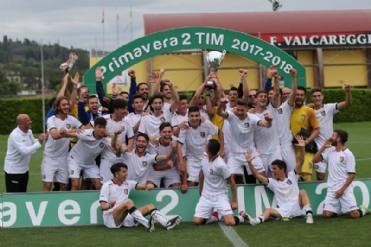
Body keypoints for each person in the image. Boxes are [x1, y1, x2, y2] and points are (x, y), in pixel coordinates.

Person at [240, 135, 314, 225]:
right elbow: (257, 176)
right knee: (267, 210)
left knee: (302, 192)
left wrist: (302, 148)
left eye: (275, 168)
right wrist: (249, 163)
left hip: (297, 206)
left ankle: (309, 215)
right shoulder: (272, 182)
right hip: (283, 210)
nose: (272, 171)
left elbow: (301, 161)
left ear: (282, 169)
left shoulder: (292, 175)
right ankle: (256, 221)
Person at [99, 162, 182, 231]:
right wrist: (109, 205)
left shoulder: (128, 183)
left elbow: (144, 186)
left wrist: (149, 186)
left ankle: (167, 223)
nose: (126, 174)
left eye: (126, 171)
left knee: (150, 206)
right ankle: (147, 224)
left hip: (125, 217)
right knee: (128, 203)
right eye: (124, 172)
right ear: (116, 174)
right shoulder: (106, 186)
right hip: (111, 219)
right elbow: (102, 207)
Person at [312, 129, 371, 219]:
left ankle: (363, 210)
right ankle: (340, 209)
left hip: (344, 189)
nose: (330, 138)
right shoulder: (330, 152)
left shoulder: (348, 154)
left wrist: (342, 190)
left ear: (338, 139)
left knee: (354, 215)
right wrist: (323, 147)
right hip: (332, 189)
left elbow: (352, 175)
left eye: (333, 136)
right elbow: (314, 160)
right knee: (327, 215)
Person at [217, 98, 272, 184]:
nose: (239, 112)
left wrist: (269, 121)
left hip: (250, 153)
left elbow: (266, 125)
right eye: (238, 110)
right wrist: (221, 104)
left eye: (242, 110)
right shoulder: (232, 116)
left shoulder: (252, 118)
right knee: (229, 179)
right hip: (235, 154)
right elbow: (219, 113)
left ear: (247, 109)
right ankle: (232, 197)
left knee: (263, 176)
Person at [193, 139, 245, 226]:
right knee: (196, 222)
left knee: (230, 222)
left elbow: (231, 181)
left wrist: (234, 201)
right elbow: (202, 173)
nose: (205, 145)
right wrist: (201, 189)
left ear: (208, 150)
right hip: (206, 196)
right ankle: (214, 217)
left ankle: (242, 217)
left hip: (220, 196)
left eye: (207, 145)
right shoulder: (204, 157)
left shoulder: (221, 165)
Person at [311, 85, 352, 180]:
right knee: (320, 176)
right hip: (318, 148)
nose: (317, 98)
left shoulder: (329, 107)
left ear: (322, 96)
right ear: (311, 98)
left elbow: (347, 103)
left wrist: (348, 91)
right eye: (315, 96)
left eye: (319, 96)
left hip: (331, 147)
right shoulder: (309, 110)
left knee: (336, 174)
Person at [42, 96, 82, 191]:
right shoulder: (51, 119)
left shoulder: (72, 119)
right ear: (58, 107)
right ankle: (45, 203)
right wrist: (70, 132)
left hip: (63, 158)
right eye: (64, 105)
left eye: (68, 104)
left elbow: (83, 129)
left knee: (64, 185)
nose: (66, 106)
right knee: (47, 185)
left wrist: (68, 131)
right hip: (49, 157)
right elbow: (55, 136)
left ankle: (58, 204)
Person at [62, 117, 111, 190]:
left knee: (98, 185)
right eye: (100, 127)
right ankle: (72, 200)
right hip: (75, 160)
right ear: (94, 127)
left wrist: (113, 136)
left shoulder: (106, 139)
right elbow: (66, 135)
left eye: (104, 127)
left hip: (90, 163)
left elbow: (116, 145)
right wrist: (65, 131)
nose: (102, 130)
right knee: (75, 184)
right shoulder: (85, 133)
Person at [4, 114, 47, 192]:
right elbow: (25, 151)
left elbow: (33, 142)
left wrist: (44, 139)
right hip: (13, 171)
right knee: (13, 197)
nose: (31, 122)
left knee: (23, 195)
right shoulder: (15, 135)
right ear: (21, 124)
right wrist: (40, 142)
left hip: (24, 170)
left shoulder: (29, 131)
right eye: (28, 121)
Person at [290, 85, 320, 181]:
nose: (299, 97)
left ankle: (310, 196)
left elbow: (317, 129)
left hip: (305, 149)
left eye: (301, 95)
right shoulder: (288, 110)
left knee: (305, 174)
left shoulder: (308, 110)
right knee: (295, 176)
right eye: (297, 94)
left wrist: (307, 142)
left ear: (305, 97)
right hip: (291, 149)